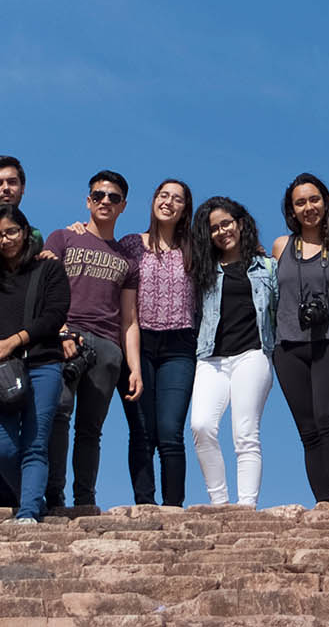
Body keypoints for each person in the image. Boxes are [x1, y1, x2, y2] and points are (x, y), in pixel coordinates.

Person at [44, 170, 144, 509]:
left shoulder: (128, 262)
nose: (105, 201)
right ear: (88, 201)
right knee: (57, 415)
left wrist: (134, 366)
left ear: (123, 206)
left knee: (91, 430)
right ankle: (53, 496)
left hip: (106, 347)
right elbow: (45, 292)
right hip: (65, 337)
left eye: (113, 198)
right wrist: (57, 332)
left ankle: (85, 499)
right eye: (99, 195)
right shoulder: (62, 238)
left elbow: (130, 319)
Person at [0, 203, 72, 524]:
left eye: (12, 232)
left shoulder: (48, 269)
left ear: (26, 232)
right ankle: (34, 501)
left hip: (42, 364)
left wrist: (14, 341)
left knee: (35, 444)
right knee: (4, 449)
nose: (6, 240)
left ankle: (28, 513)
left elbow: (54, 315)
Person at [0, 155, 54, 509]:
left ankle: (18, 502)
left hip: (15, 345)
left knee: (19, 426)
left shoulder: (32, 234)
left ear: (22, 188)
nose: (6, 188)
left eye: (12, 182)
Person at [271, 173, 329, 504]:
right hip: (289, 345)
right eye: (300, 202)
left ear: (326, 202)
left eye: (314, 199)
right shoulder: (281, 246)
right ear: (292, 209)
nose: (309, 207)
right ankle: (322, 500)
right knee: (307, 430)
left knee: (328, 418)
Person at [188, 196, 278, 506]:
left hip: (253, 354)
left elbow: (282, 310)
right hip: (211, 357)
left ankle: (246, 505)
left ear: (240, 223)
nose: (222, 231)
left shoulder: (267, 266)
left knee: (245, 432)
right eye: (214, 228)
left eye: (226, 223)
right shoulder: (203, 270)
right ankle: (220, 503)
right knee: (201, 425)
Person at [116, 179, 197, 506]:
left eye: (177, 199)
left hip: (180, 346)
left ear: (184, 209)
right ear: (153, 201)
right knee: (142, 431)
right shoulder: (131, 244)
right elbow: (102, 251)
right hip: (137, 343)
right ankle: (144, 505)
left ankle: (174, 507)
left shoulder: (195, 249)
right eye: (163, 195)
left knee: (170, 433)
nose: (168, 202)